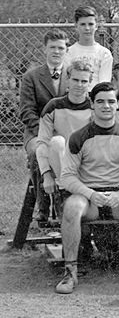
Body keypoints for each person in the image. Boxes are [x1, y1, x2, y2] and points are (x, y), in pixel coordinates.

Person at [55, 82, 119, 294]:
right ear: (92, 104)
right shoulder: (79, 137)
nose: (106, 106)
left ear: (118, 104)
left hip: (118, 197)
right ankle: (70, 272)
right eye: (100, 101)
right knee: (71, 207)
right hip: (90, 198)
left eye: (110, 101)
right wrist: (91, 194)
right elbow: (67, 177)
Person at [19, 29, 69, 222]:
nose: (56, 52)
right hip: (37, 131)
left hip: (66, 130)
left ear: (66, 50)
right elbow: (26, 110)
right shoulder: (31, 77)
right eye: (52, 48)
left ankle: (65, 203)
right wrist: (44, 132)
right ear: (45, 50)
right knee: (35, 152)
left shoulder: (73, 74)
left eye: (60, 48)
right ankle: (44, 206)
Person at [36, 61, 94, 210]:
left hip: (87, 162)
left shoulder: (95, 107)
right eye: (75, 80)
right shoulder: (54, 106)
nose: (79, 85)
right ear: (67, 79)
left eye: (84, 81)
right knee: (56, 141)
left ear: (90, 83)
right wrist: (47, 174)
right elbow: (42, 143)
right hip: (62, 164)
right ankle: (64, 195)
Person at [64, 6, 112, 87]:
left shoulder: (104, 53)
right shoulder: (68, 52)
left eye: (90, 24)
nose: (87, 28)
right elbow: (66, 81)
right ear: (76, 26)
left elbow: (104, 84)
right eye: (83, 24)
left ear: (96, 26)